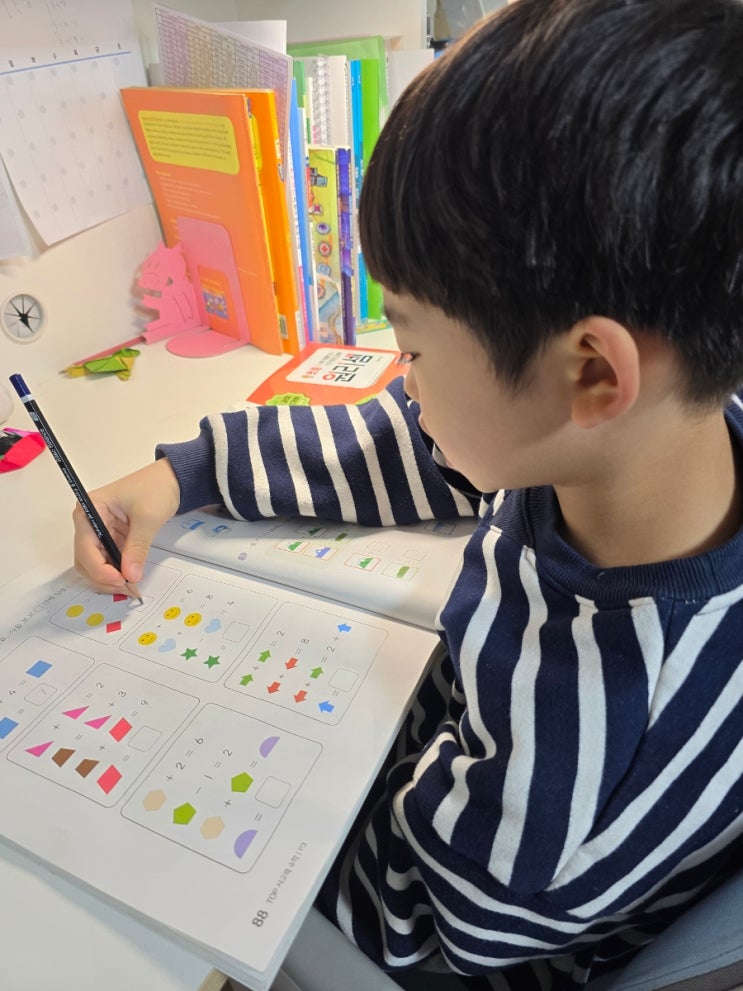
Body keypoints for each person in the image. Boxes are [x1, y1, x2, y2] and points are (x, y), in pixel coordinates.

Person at [74, 0, 743, 986]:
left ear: (592, 372)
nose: (401, 376)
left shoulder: (587, 753)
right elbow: (416, 443)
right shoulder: (646, 437)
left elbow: (423, 923)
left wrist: (245, 785)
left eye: (414, 345)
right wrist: (187, 472)